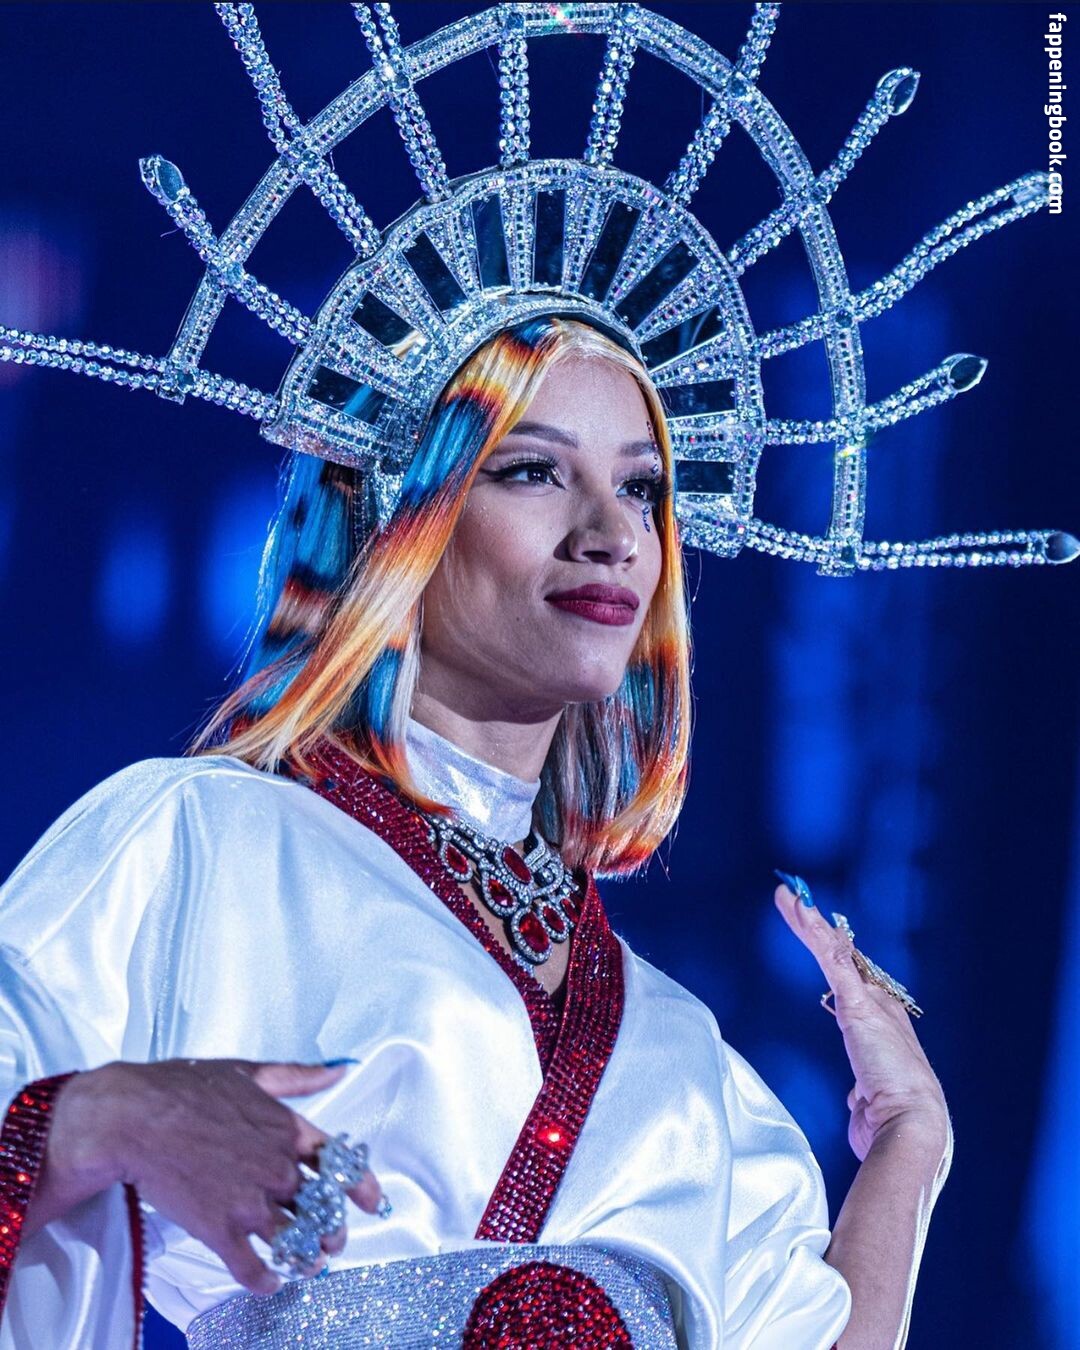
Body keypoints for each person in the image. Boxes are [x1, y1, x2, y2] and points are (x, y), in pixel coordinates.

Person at [0, 316, 951, 1348]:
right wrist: (110, 1118)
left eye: (641, 487)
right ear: (403, 510)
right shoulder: (208, 844)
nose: (614, 533)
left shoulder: (687, 1061)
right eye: (535, 472)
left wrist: (910, 1147)